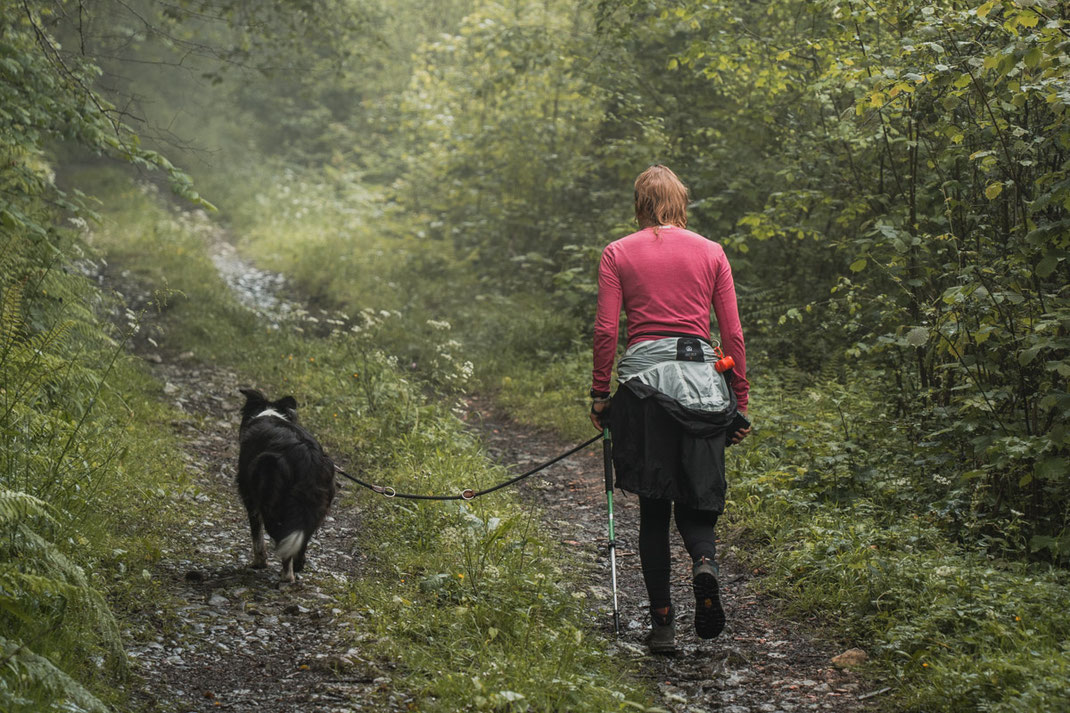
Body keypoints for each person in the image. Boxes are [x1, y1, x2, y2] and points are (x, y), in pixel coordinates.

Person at [589, 165, 750, 654]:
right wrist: (738, 402)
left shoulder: (618, 252)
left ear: (640, 203)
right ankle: (704, 565)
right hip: (702, 386)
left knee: (654, 509)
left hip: (644, 392)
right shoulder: (712, 252)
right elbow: (733, 335)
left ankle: (662, 626)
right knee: (698, 498)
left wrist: (600, 393)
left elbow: (605, 332)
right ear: (680, 202)